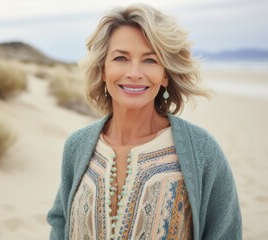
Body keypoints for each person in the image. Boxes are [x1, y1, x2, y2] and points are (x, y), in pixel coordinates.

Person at [47, 3, 242, 240]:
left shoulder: (203, 152)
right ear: (102, 69)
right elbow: (60, 223)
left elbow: (225, 233)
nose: (135, 72)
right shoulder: (77, 147)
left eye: (150, 60)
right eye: (121, 58)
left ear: (165, 75)